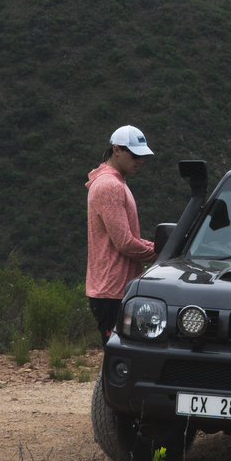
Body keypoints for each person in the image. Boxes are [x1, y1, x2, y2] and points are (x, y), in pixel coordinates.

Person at [86, 124, 157, 346]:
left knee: (124, 357)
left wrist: (159, 247)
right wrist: (161, 254)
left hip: (115, 289)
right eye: (135, 155)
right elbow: (125, 243)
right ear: (117, 150)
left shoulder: (116, 182)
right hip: (112, 291)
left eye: (142, 155)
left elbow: (129, 236)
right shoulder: (109, 186)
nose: (140, 161)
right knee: (120, 358)